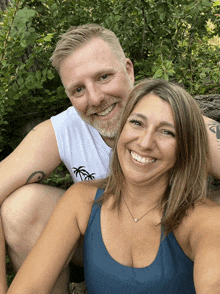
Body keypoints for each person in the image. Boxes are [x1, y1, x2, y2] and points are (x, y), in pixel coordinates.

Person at [0, 24, 220, 292]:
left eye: (103, 77)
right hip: (95, 242)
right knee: (21, 207)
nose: (95, 98)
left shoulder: (189, 126)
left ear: (128, 70)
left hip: (176, 241)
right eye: (78, 90)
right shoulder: (62, 135)